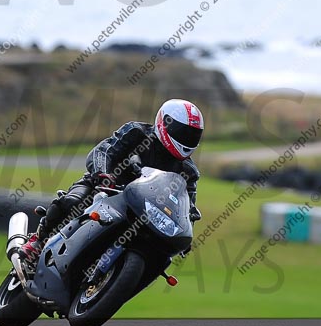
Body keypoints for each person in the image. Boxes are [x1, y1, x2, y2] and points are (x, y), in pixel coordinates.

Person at [18, 99, 204, 264]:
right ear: (165, 123)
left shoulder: (188, 171)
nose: (187, 139)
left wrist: (185, 232)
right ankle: (38, 240)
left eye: (192, 135)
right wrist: (102, 173)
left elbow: (187, 207)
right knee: (72, 201)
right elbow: (103, 150)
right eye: (183, 132)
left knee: (161, 257)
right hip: (105, 188)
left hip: (143, 213)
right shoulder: (137, 132)